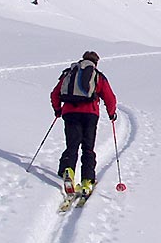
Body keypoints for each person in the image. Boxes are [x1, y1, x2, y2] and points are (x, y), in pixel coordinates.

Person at [50, 51, 117, 195]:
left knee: (72, 145)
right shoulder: (98, 76)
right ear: (96, 62)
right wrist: (112, 114)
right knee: (88, 147)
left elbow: (55, 93)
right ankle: (87, 181)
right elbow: (110, 97)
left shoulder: (69, 73)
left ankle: (68, 171)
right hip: (90, 114)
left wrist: (58, 110)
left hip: (70, 113)